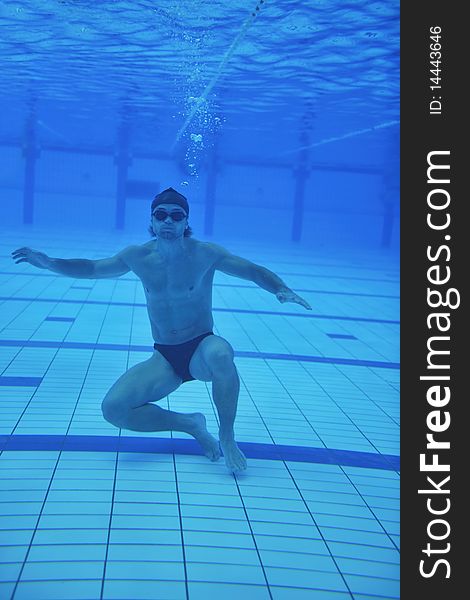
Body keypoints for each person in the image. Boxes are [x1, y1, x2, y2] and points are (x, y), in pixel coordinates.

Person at [12, 187, 311, 471]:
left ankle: (227, 437)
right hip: (166, 358)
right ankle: (191, 424)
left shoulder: (205, 254)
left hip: (201, 348)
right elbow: (91, 268)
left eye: (177, 215)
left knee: (221, 354)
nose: (168, 220)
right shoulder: (137, 257)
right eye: (161, 214)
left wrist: (280, 289)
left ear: (186, 222)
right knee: (114, 409)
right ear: (152, 221)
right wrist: (51, 263)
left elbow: (252, 270)